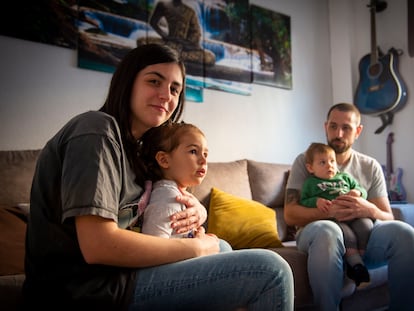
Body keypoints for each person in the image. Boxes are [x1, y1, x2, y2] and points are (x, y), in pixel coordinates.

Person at [23, 43, 294, 310]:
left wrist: (197, 209)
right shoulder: (97, 131)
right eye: (154, 81)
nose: (166, 95)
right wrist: (196, 248)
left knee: (221, 245)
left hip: (115, 279)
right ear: (127, 82)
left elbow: (157, 204)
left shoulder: (137, 151)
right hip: (84, 291)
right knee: (272, 270)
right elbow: (98, 245)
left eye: (175, 89)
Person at [284, 102, 414, 311]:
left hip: (363, 234)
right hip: (318, 233)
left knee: (405, 233)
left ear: (358, 131)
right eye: (333, 126)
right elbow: (290, 214)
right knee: (329, 230)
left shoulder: (369, 166)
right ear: (326, 126)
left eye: (346, 128)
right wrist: (325, 211)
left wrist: (367, 209)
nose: (339, 133)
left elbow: (387, 216)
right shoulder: (305, 161)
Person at [300, 142, 372, 287]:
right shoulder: (311, 183)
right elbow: (304, 200)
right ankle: (356, 265)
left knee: (367, 226)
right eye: (322, 162)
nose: (329, 165)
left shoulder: (344, 177)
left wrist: (357, 192)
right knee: (348, 235)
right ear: (310, 167)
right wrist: (316, 201)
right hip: (335, 220)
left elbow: (362, 190)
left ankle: (359, 260)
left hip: (354, 215)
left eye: (332, 161)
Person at [139, 122, 208, 238]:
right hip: (185, 255)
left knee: (223, 244)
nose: (204, 161)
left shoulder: (177, 194)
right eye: (193, 151)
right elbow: (156, 249)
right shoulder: (167, 198)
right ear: (164, 160)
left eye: (205, 154)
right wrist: (198, 245)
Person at [138, 0, 215, 66]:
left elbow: (196, 34)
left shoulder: (190, 12)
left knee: (210, 57)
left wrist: (186, 44)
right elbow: (153, 22)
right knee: (141, 41)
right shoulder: (163, 4)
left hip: (183, 47)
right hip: (168, 43)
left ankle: (174, 54)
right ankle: (174, 54)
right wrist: (164, 36)